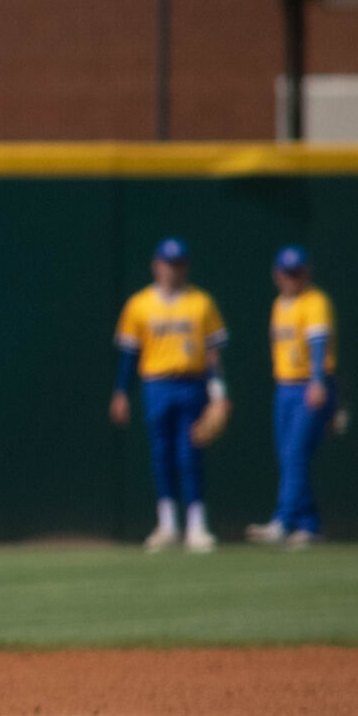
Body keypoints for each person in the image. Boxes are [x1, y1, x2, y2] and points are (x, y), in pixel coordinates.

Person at [109, 237, 229, 553]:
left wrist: (219, 392)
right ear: (155, 265)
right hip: (156, 384)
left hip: (191, 382)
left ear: (185, 267)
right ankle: (167, 523)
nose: (172, 271)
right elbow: (130, 354)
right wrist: (121, 392)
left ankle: (196, 525)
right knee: (162, 454)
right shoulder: (139, 304)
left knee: (190, 453)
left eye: (178, 264)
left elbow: (213, 354)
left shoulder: (201, 302)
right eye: (167, 264)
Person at [247, 246, 338, 548]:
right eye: (287, 273)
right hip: (285, 386)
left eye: (297, 272)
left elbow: (318, 343)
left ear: (306, 273)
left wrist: (318, 382)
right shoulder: (279, 304)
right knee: (289, 457)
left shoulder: (315, 301)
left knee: (296, 454)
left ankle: (284, 521)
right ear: (277, 275)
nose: (291, 278)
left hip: (309, 385)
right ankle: (309, 525)